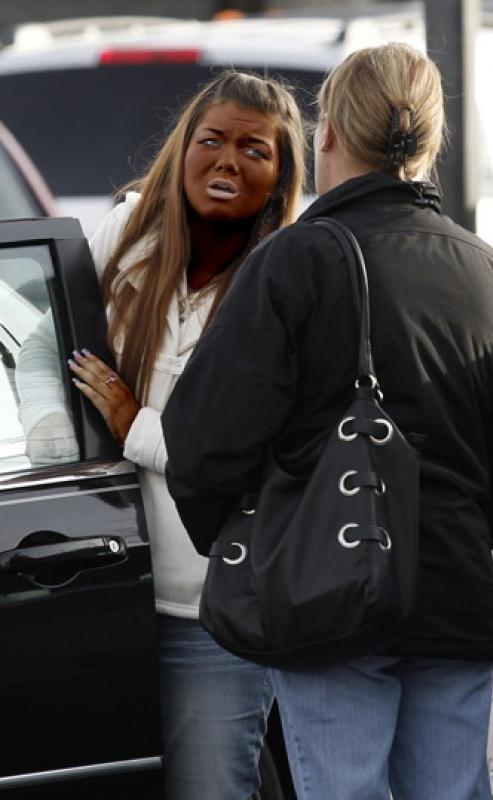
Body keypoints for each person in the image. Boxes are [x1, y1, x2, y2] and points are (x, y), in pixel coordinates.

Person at [161, 44, 493, 800]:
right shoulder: (491, 272)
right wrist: (445, 524)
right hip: (453, 595)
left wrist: (269, 539)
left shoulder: (295, 261)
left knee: (342, 789)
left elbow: (202, 441)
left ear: (329, 135)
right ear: (428, 144)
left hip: (326, 598)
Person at [16, 70, 306, 800]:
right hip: (101, 600)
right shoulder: (127, 233)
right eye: (210, 141)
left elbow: (250, 454)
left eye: (253, 149)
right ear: (182, 149)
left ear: (279, 176)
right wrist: (60, 441)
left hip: (212, 614)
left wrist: (132, 426)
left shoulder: (289, 276)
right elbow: (45, 350)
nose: (227, 162)